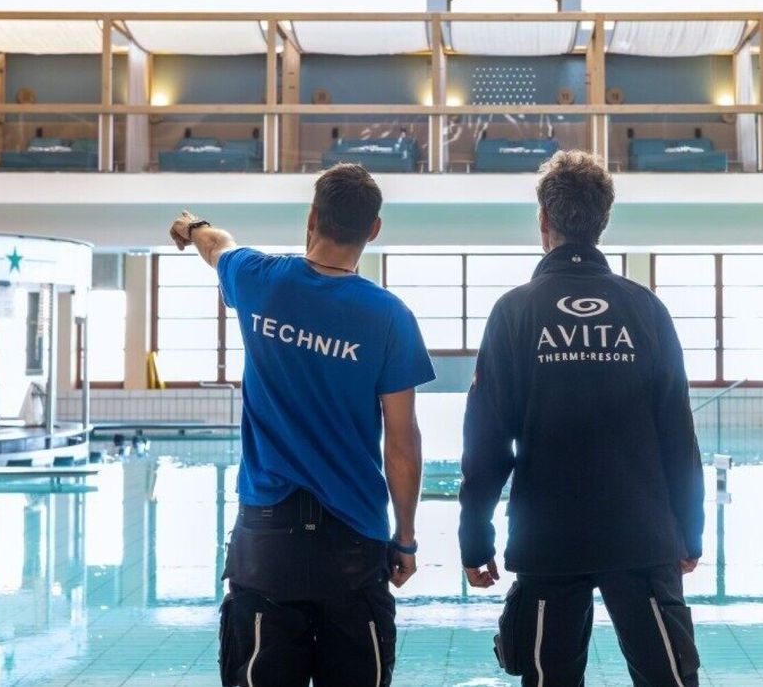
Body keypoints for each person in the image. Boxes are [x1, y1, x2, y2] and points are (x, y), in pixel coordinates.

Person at [168, 163, 435, 687]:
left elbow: (216, 245)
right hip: (355, 541)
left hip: (266, 540)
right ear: (373, 230)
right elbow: (401, 445)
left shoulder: (258, 279)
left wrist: (193, 225)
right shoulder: (389, 316)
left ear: (312, 217)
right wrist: (404, 540)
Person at [458, 150, 705, 687]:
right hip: (643, 534)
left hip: (549, 540)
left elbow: (486, 443)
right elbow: (678, 435)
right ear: (603, 222)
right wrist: (690, 529)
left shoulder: (514, 312)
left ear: (544, 221)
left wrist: (474, 538)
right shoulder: (646, 310)